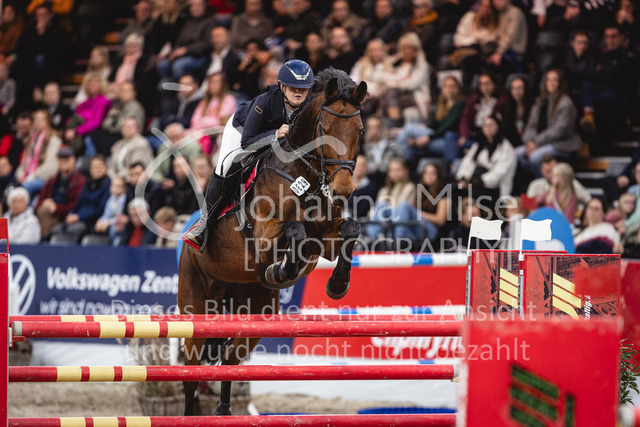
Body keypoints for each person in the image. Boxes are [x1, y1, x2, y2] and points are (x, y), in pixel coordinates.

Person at [183, 59, 314, 253]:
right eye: (294, 88)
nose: (299, 93)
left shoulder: (308, 107)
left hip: (278, 140)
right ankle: (204, 224)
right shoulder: (265, 102)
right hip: (242, 132)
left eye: (303, 89)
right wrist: (275, 134)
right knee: (226, 166)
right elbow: (248, 142)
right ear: (282, 87)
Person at [517, 69, 581, 177]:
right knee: (517, 155)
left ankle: (548, 181)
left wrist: (536, 143)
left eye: (554, 80)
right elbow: (531, 125)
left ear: (560, 83)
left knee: (534, 157)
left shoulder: (566, 103)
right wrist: (530, 142)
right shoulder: (539, 102)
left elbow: (560, 131)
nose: (551, 83)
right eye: (548, 80)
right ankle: (542, 179)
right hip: (538, 142)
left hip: (561, 144)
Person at [50, 155, 111, 243]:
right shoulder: (88, 183)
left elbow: (99, 209)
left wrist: (78, 217)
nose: (96, 170)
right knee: (56, 229)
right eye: (94, 167)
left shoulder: (108, 185)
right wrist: (71, 214)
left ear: (105, 168)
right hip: (78, 218)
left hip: (90, 221)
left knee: (75, 230)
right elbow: (79, 202)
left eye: (99, 167)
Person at [455, 114, 516, 198]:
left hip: (494, 188)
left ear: (498, 127)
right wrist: (463, 179)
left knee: (473, 194)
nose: (487, 128)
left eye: (491, 125)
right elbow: (467, 162)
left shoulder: (506, 148)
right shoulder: (478, 145)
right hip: (473, 182)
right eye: (485, 125)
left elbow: (500, 172)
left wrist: (479, 181)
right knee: (454, 189)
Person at [34, 146, 86, 240]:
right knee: (40, 210)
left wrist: (57, 208)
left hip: (66, 216)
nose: (63, 162)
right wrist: (45, 203)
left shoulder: (79, 181)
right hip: (50, 214)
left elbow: (76, 205)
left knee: (43, 213)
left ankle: (44, 240)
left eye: (67, 159)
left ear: (73, 160)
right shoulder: (52, 180)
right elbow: (40, 199)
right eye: (61, 159)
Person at [395, 162, 449, 243]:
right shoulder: (420, 191)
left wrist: (419, 214)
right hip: (417, 228)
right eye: (426, 173)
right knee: (383, 206)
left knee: (403, 206)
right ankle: (378, 239)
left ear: (438, 176)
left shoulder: (443, 194)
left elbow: (440, 220)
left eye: (432, 173)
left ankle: (396, 242)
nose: (429, 176)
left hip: (432, 230)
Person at [365, 158, 417, 242]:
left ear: (405, 171)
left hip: (402, 226)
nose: (395, 173)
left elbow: (401, 211)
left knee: (383, 205)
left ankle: (373, 239)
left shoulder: (409, 187)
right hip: (385, 225)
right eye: (392, 170)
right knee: (380, 206)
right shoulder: (384, 190)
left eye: (398, 170)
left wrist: (383, 211)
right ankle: (373, 238)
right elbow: (373, 211)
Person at [15, 110, 62, 197]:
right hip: (29, 176)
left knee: (25, 187)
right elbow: (23, 163)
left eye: (42, 119)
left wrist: (33, 176)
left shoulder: (53, 140)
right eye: (36, 119)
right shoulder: (30, 140)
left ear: (48, 122)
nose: (38, 122)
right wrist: (20, 175)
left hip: (44, 178)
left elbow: (51, 166)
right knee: (12, 187)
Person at [362, 115, 401, 186]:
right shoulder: (366, 146)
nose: (374, 130)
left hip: (390, 179)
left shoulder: (392, 144)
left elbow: (398, 161)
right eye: (371, 127)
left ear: (382, 127)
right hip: (373, 179)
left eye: (377, 127)